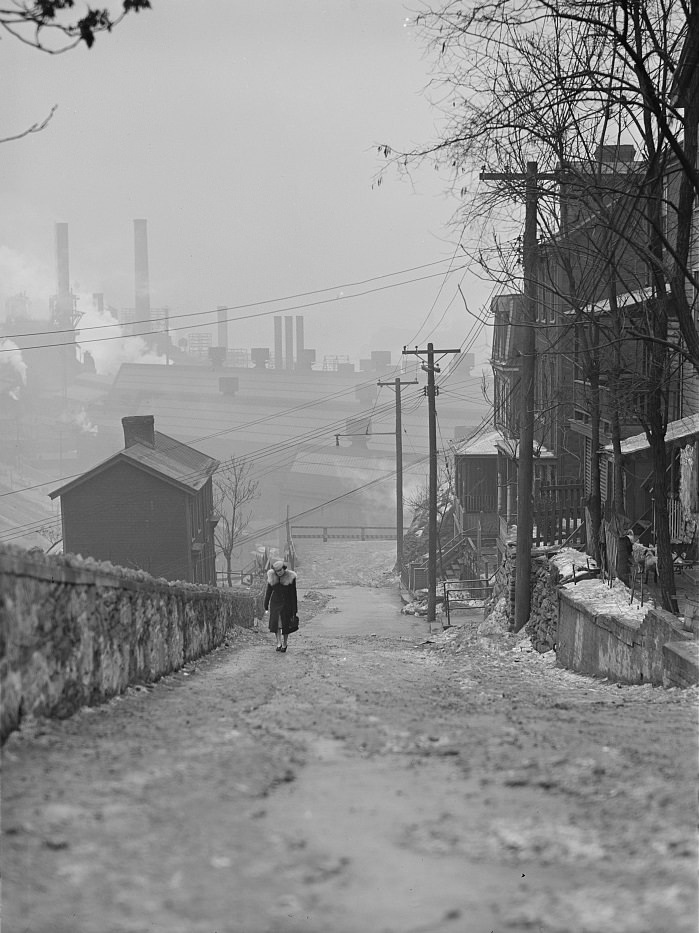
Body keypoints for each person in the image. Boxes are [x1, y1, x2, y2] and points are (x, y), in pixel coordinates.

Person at [263, 559, 298, 652]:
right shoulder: (272, 577)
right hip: (275, 603)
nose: (279, 573)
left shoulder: (290, 577)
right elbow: (268, 592)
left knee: (285, 625)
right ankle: (278, 643)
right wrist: (265, 605)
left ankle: (285, 643)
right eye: (277, 571)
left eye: (280, 570)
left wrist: (294, 610)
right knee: (276, 624)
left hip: (287, 604)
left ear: (284, 568)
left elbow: (293, 594)